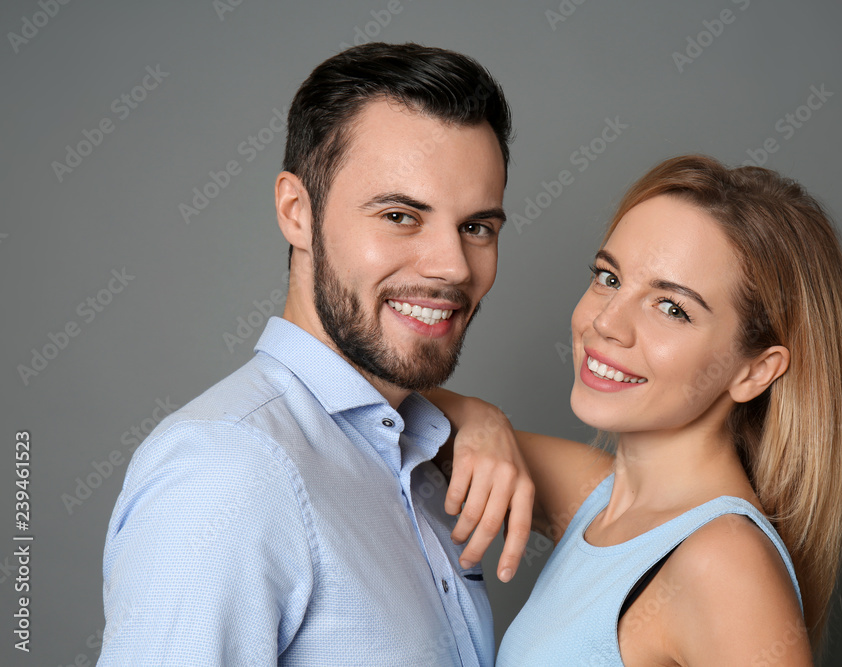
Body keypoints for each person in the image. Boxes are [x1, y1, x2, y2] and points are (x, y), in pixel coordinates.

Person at [97, 43, 535, 666]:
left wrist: (472, 416)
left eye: (477, 227)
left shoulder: (419, 455)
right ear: (297, 213)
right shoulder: (229, 471)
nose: (452, 267)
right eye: (400, 215)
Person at [430, 155, 842, 665]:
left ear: (755, 371)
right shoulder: (601, 497)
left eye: (671, 308)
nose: (608, 322)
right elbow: (406, 416)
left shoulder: (722, 563)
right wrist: (484, 418)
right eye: (610, 278)